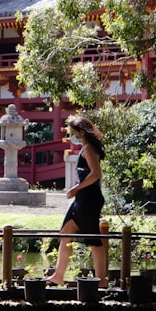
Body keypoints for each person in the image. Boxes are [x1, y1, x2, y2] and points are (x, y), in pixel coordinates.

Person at [48, 115, 109, 286]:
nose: (71, 136)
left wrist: (76, 188)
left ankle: (102, 281)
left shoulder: (89, 149)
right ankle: (58, 276)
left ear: (81, 133)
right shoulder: (86, 148)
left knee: (93, 239)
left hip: (88, 199)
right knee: (65, 233)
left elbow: (96, 173)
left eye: (73, 133)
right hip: (83, 199)